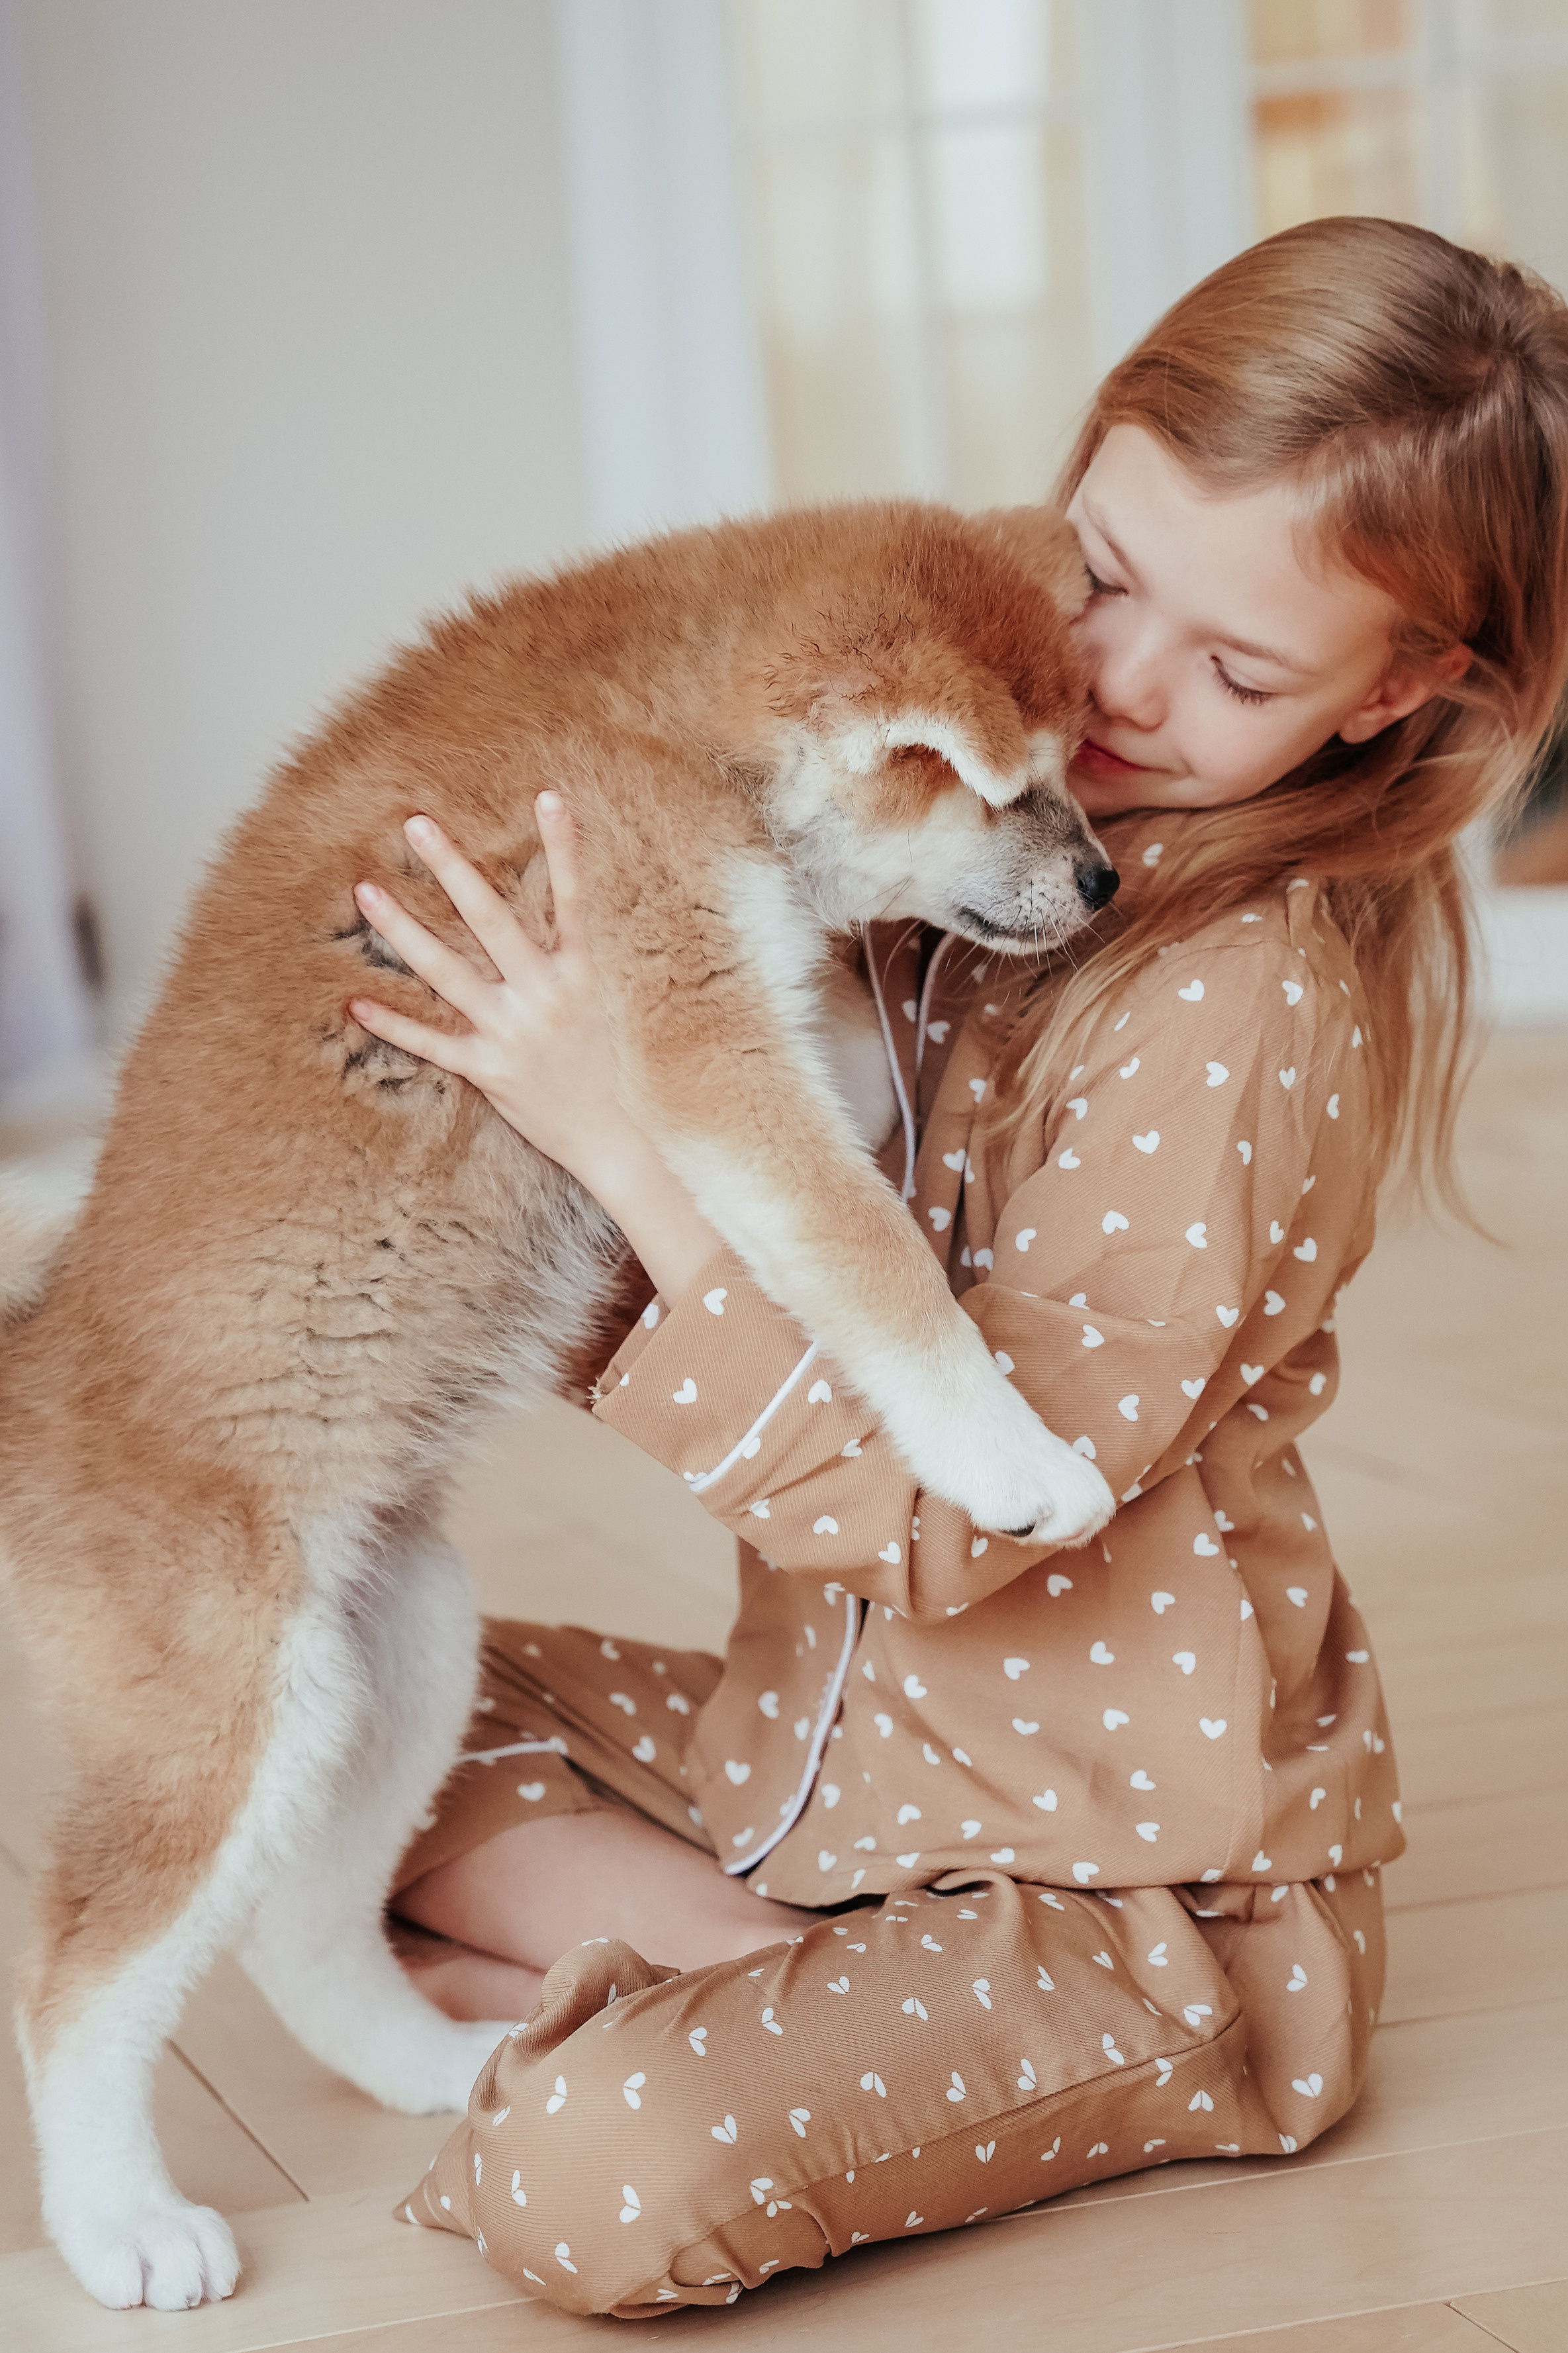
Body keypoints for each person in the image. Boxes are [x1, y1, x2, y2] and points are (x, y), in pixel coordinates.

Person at [344, 218, 1568, 2317]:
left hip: (1126, 1890)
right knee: (336, 1704)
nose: (1120, 685)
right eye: (1102, 569)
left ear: (1395, 689)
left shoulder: (1240, 1009)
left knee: (597, 2164)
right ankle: (763, 1977)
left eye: (1237, 671)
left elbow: (956, 1519)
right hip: (803, 1759)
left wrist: (622, 1137)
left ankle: (765, 2008)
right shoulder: (973, 774)